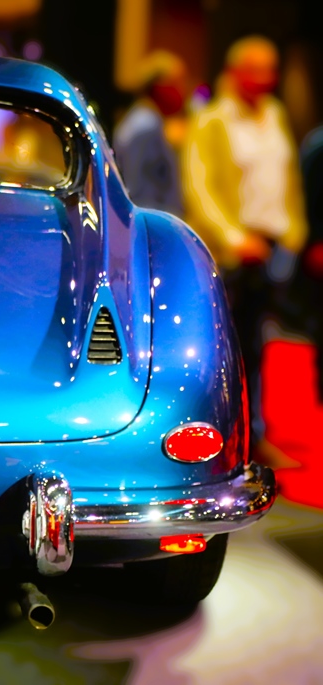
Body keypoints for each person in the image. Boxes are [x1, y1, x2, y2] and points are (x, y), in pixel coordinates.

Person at [182, 35, 308, 459]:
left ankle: (254, 436)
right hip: (235, 251)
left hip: (273, 246)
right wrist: (235, 237)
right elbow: (200, 188)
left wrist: (294, 231)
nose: (267, 78)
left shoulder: (274, 114)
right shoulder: (213, 119)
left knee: (259, 347)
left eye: (271, 69)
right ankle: (221, 438)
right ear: (236, 72)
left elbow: (287, 177)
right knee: (225, 350)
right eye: (257, 69)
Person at [113, 50, 187, 216]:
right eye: (176, 83)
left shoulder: (149, 120)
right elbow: (136, 191)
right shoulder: (145, 126)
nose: (183, 90)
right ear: (159, 86)